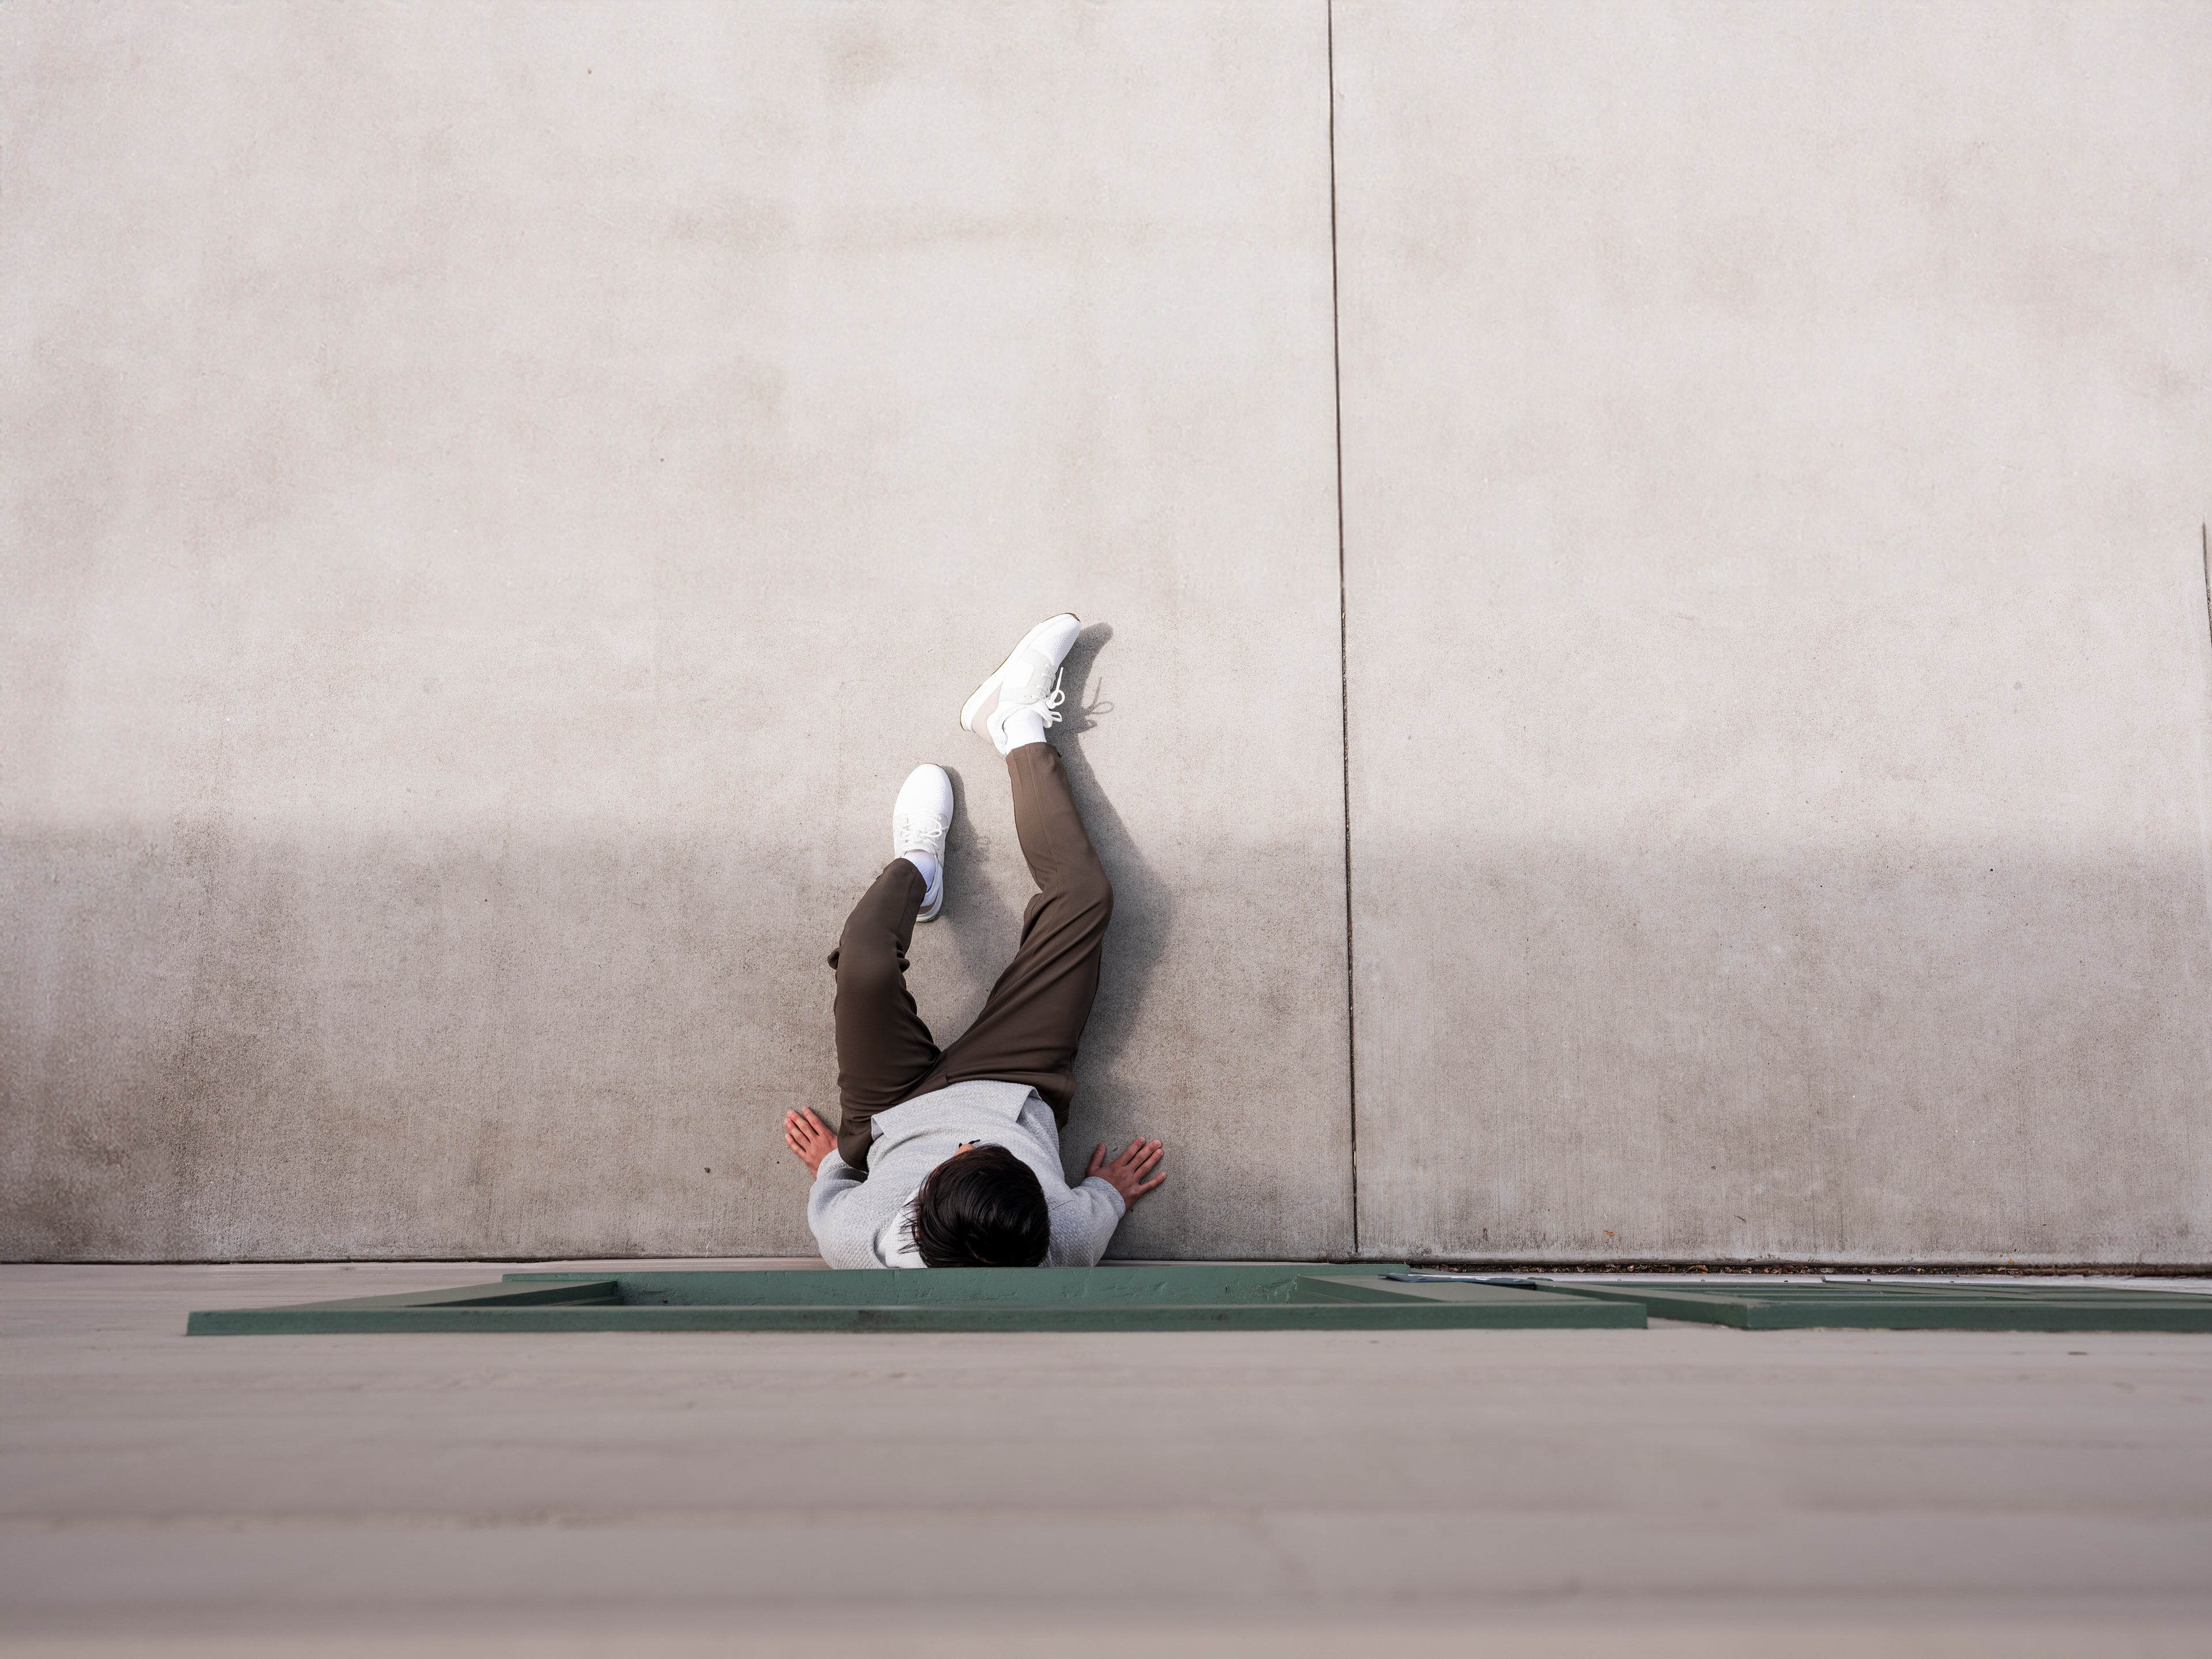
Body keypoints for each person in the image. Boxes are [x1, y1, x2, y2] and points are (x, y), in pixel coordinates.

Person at [781, 613, 1166, 1268]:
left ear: (914, 1212)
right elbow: (1096, 1208)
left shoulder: (855, 1241)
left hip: (890, 1109)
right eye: (987, 1151)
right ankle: (1015, 720)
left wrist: (834, 1168)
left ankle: (918, 868)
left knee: (866, 964)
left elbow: (835, 1199)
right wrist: (1110, 1189)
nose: (964, 1142)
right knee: (1085, 899)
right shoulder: (1063, 1235)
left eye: (956, 1161)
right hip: (1014, 1080)